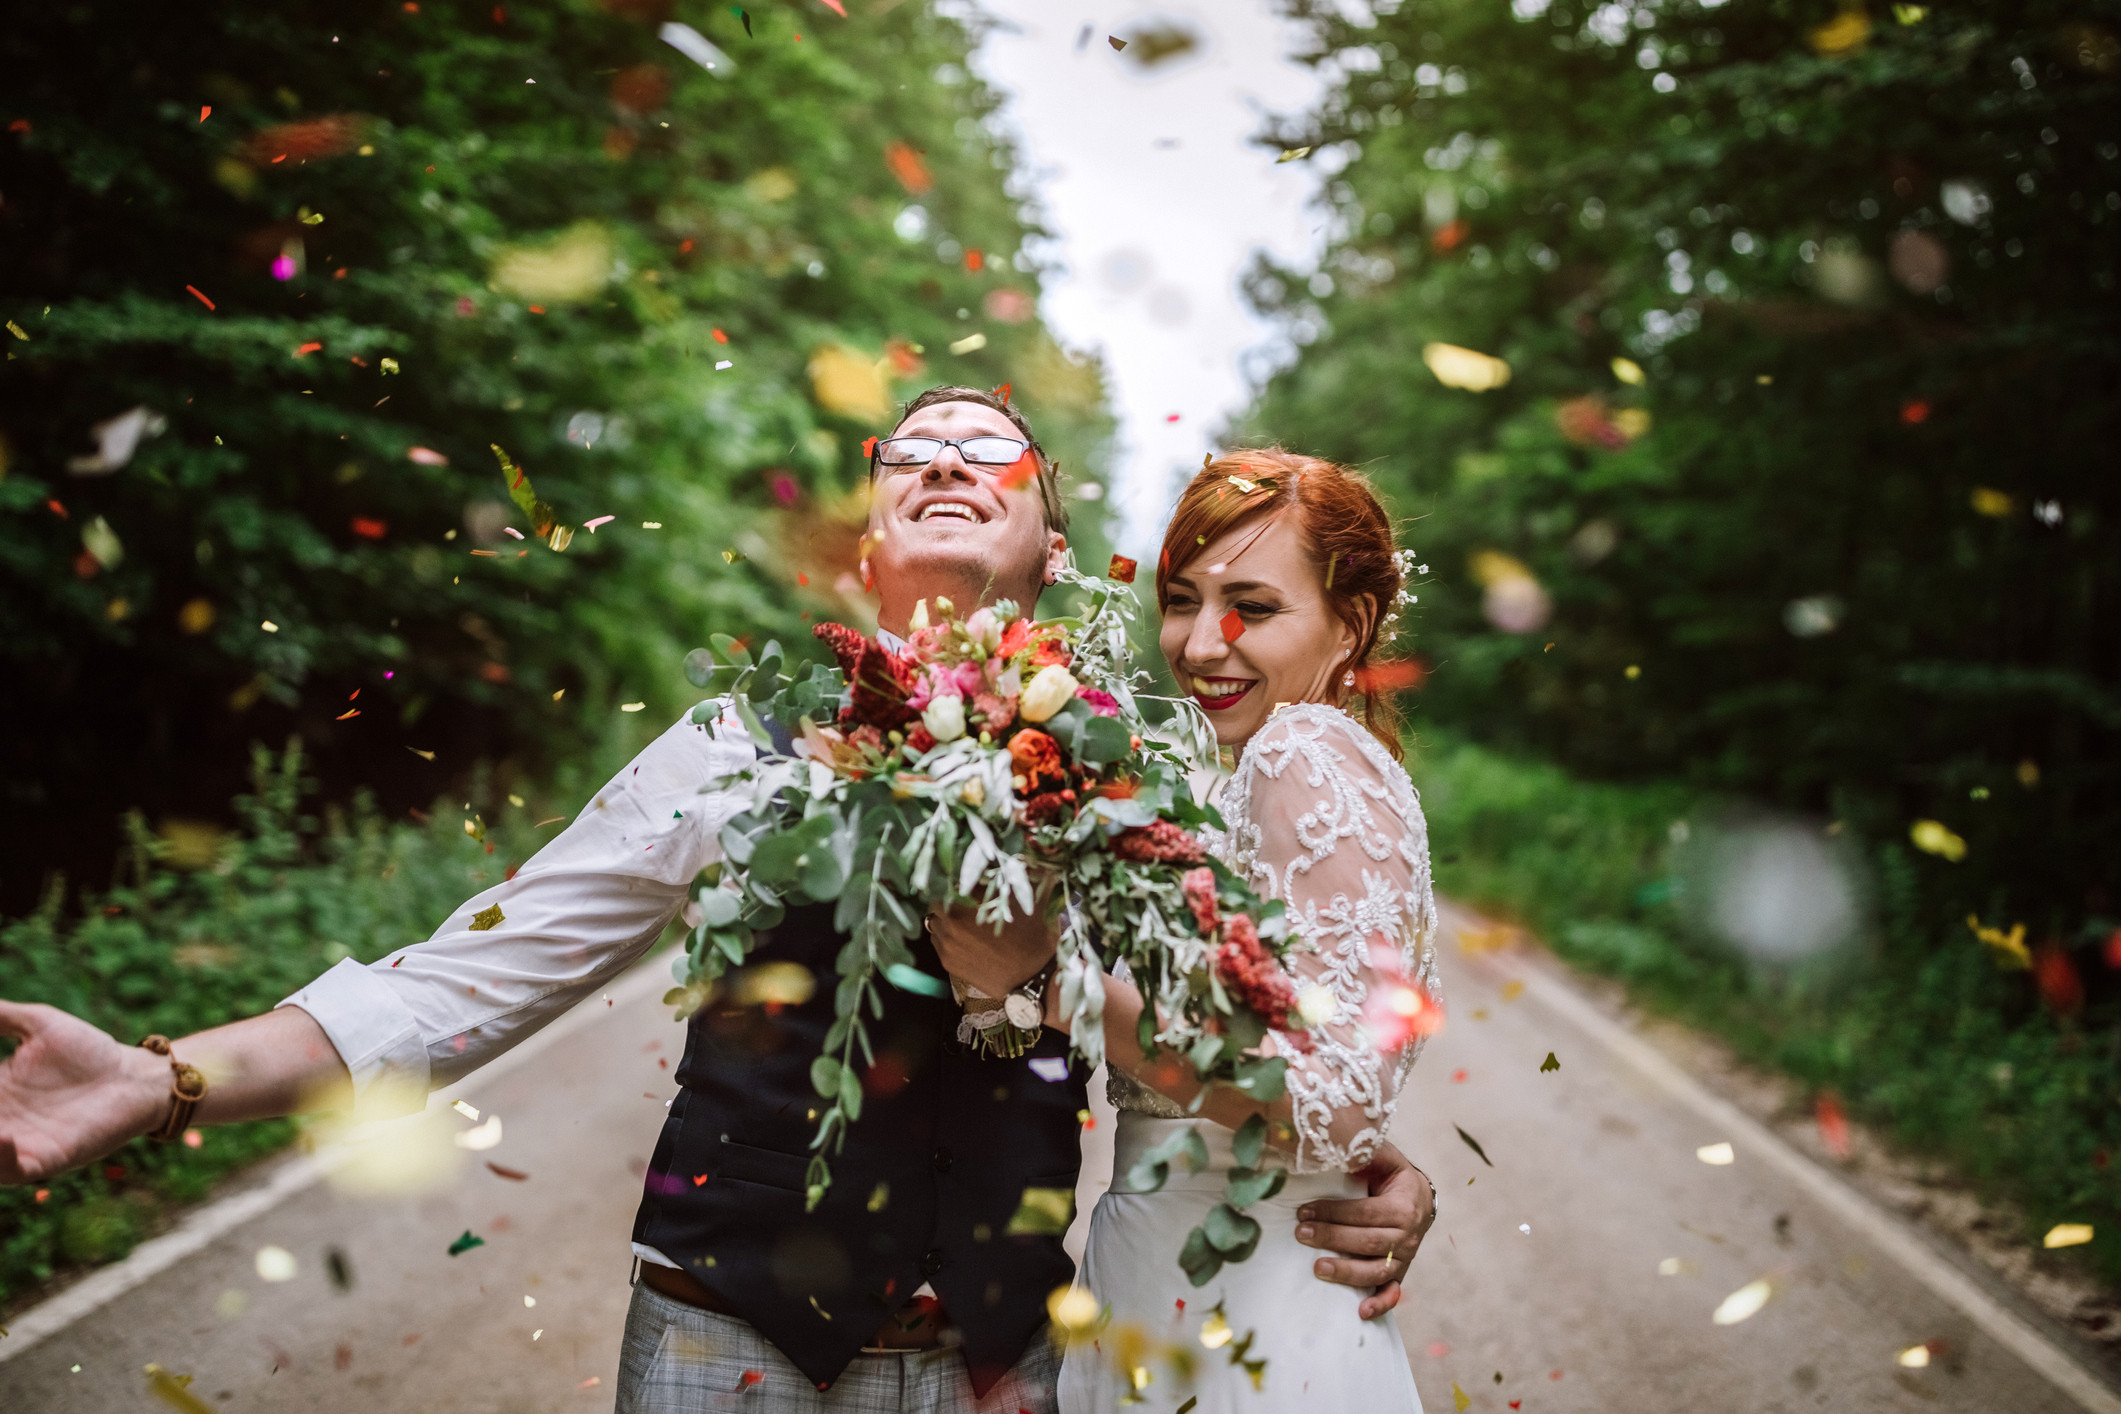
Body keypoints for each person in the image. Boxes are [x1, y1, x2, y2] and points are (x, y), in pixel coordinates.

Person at [0, 389, 1435, 1414]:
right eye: (908, 449)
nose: (940, 454)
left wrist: (1370, 1170)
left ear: (1053, 547)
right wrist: (163, 1075)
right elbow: (461, 978)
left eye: (987, 446)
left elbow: (1262, 1019)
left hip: (998, 1364)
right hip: (724, 1346)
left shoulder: (1145, 761)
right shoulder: (733, 743)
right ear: (866, 545)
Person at [1047, 450, 1442, 1412]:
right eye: (1181, 599)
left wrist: (1061, 983)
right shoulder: (1273, 768)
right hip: (1184, 1281)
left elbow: (1338, 1106)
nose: (1200, 641)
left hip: (1240, 1315)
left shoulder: (1297, 749)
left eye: (1253, 609)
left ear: (1349, 624)